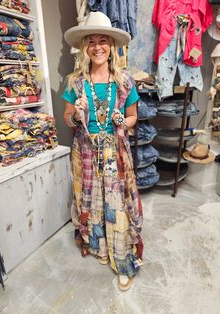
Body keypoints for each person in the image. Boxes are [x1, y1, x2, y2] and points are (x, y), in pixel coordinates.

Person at [62, 11, 143, 291]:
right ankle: (101, 248)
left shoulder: (124, 82)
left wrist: (123, 121)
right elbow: (67, 117)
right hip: (85, 151)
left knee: (117, 205)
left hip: (114, 152)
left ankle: (123, 261)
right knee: (92, 202)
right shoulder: (75, 82)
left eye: (103, 41)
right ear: (85, 46)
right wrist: (77, 114)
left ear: (111, 46)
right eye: (92, 41)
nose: (98, 46)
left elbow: (133, 117)